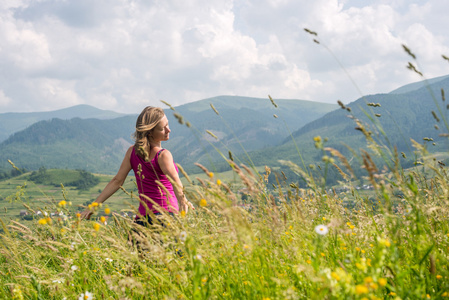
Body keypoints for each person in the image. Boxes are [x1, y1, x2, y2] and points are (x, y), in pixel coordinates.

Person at [80, 106, 193, 223]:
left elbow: (117, 181)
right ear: (150, 132)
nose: (168, 130)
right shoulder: (163, 155)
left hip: (142, 220)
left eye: (167, 125)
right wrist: (183, 201)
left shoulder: (132, 152)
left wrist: (94, 206)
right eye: (162, 128)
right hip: (166, 217)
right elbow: (175, 182)